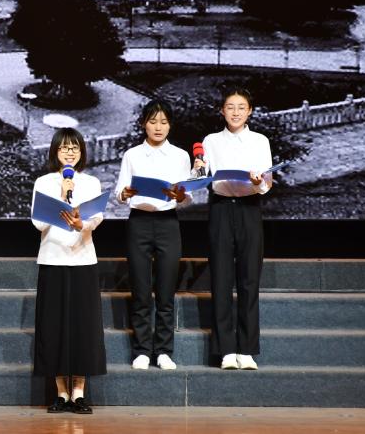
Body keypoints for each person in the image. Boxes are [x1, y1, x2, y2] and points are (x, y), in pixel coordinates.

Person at [194, 88, 273, 371]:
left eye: (241, 107)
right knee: (221, 278)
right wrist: (198, 168)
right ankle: (226, 349)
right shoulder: (211, 141)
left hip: (249, 208)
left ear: (249, 111)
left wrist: (258, 181)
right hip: (221, 208)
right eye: (230, 107)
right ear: (222, 110)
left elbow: (267, 183)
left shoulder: (260, 141)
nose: (236, 112)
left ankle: (247, 349)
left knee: (249, 278)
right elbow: (201, 179)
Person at [30, 127, 107, 415]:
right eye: (64, 148)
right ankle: (61, 392)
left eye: (75, 147)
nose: (70, 152)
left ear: (81, 152)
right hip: (52, 259)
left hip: (83, 260)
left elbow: (97, 217)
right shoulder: (44, 182)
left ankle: (79, 393)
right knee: (54, 327)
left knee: (83, 328)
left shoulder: (91, 182)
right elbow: (38, 223)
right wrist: (62, 198)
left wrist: (81, 224)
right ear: (55, 152)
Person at [116, 99, 191, 372]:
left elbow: (187, 198)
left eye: (164, 122)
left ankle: (164, 351)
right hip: (139, 222)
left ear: (170, 125)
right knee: (140, 290)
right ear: (143, 124)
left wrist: (179, 195)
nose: (158, 127)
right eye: (153, 121)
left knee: (166, 290)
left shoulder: (180, 156)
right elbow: (120, 192)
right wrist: (125, 193)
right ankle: (142, 350)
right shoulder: (132, 155)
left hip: (168, 223)